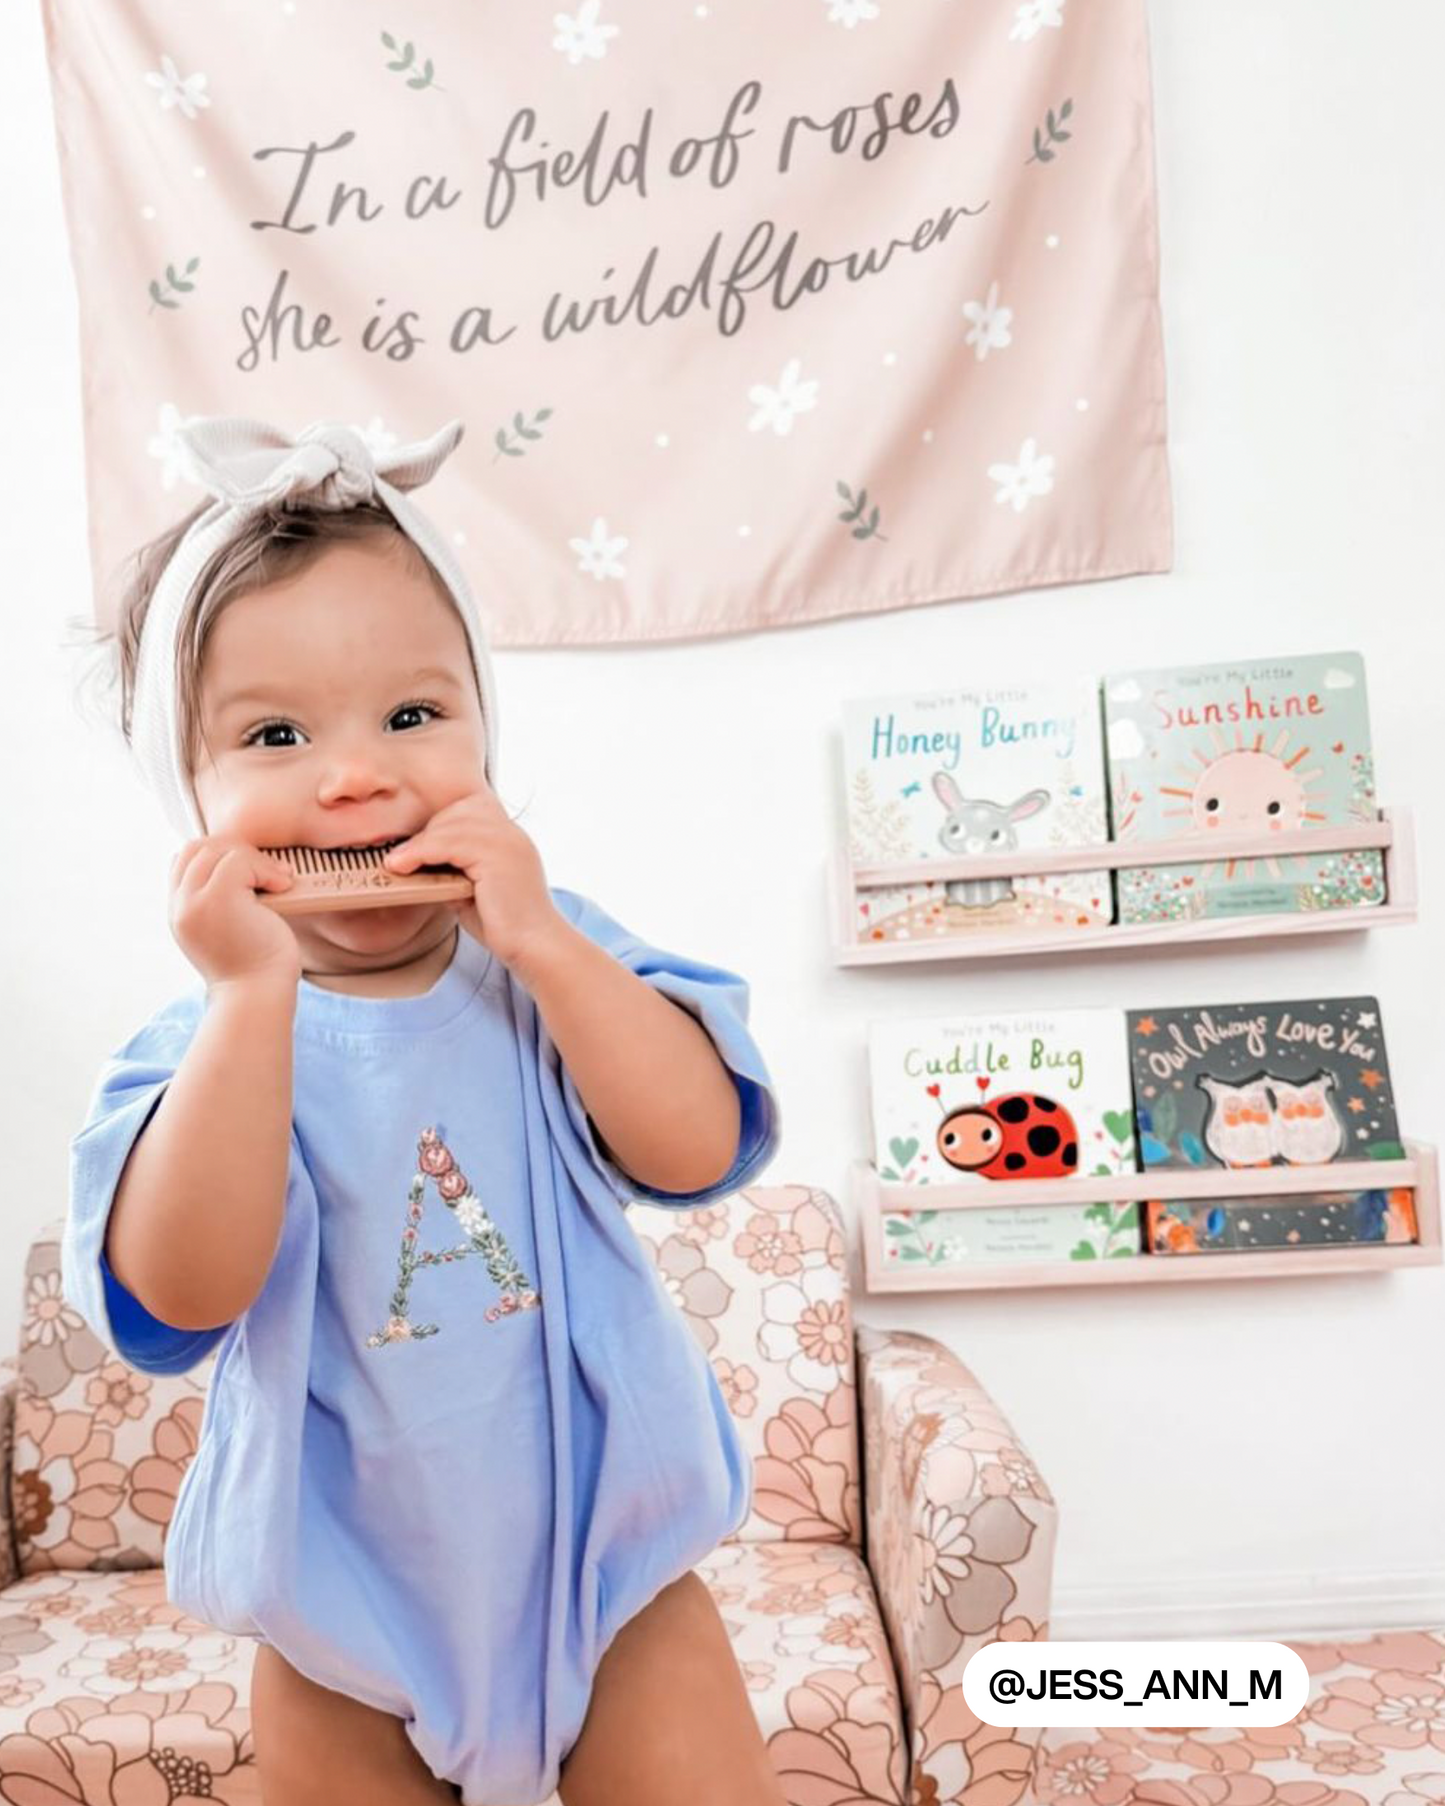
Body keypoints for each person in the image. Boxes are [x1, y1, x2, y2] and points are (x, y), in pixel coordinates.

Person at [62, 417, 787, 1806]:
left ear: (481, 722)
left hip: (615, 1589)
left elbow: (696, 1146)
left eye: (413, 714)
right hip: (345, 1631)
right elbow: (183, 1292)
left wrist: (552, 950)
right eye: (276, 732)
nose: (356, 772)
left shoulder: (549, 965)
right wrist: (249, 1000)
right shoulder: (207, 1037)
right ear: (190, 792)